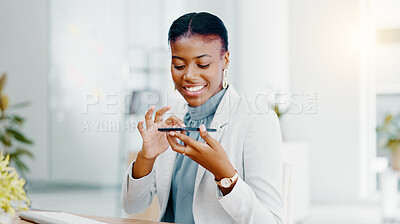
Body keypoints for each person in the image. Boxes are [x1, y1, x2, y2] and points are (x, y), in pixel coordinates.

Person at [122, 12, 283, 224]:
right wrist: (146, 157)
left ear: (225, 60)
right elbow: (132, 206)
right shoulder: (171, 118)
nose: (188, 75)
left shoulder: (256, 120)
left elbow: (272, 222)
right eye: (179, 65)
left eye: (203, 64)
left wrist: (225, 176)